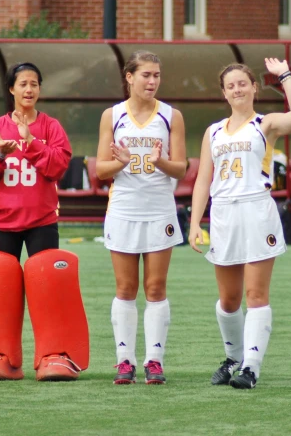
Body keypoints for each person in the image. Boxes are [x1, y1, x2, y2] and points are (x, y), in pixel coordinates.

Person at [189, 60, 291, 389]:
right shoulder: (213, 131)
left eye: (243, 83)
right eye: (231, 85)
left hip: (257, 211)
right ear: (224, 93)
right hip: (224, 214)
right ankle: (233, 357)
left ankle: (251, 367)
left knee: (255, 295)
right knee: (228, 299)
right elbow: (202, 180)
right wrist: (196, 221)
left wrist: (284, 77)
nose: (238, 89)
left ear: (254, 87)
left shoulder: (264, 123)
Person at [0, 62, 80, 381]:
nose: (29, 89)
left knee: (49, 291)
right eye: (23, 84)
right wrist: (1, 155)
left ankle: (53, 354)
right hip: (3, 221)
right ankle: (1, 356)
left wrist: (30, 142)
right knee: (0, 292)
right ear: (12, 89)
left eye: (34, 84)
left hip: (42, 220)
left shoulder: (51, 127)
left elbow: (58, 167)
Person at [96, 50, 187, 385]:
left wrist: (159, 161)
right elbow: (101, 169)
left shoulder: (170, 116)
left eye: (157, 76)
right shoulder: (113, 115)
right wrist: (121, 161)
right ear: (129, 77)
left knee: (155, 287)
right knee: (125, 287)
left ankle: (154, 361)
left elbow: (181, 167)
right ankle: (124, 361)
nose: (152, 81)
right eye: (146, 75)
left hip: (159, 208)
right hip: (123, 208)